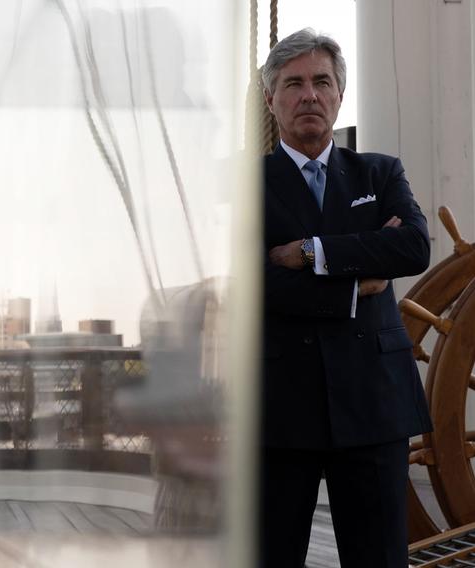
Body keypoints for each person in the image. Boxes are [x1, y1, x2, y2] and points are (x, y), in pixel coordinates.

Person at [260, 28, 432, 567]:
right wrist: (355, 285)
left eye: (321, 82)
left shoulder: (380, 172)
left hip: (374, 405)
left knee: (380, 557)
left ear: (338, 95)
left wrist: (311, 253)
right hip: (277, 408)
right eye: (293, 84)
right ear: (271, 100)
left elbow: (410, 247)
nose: (308, 94)